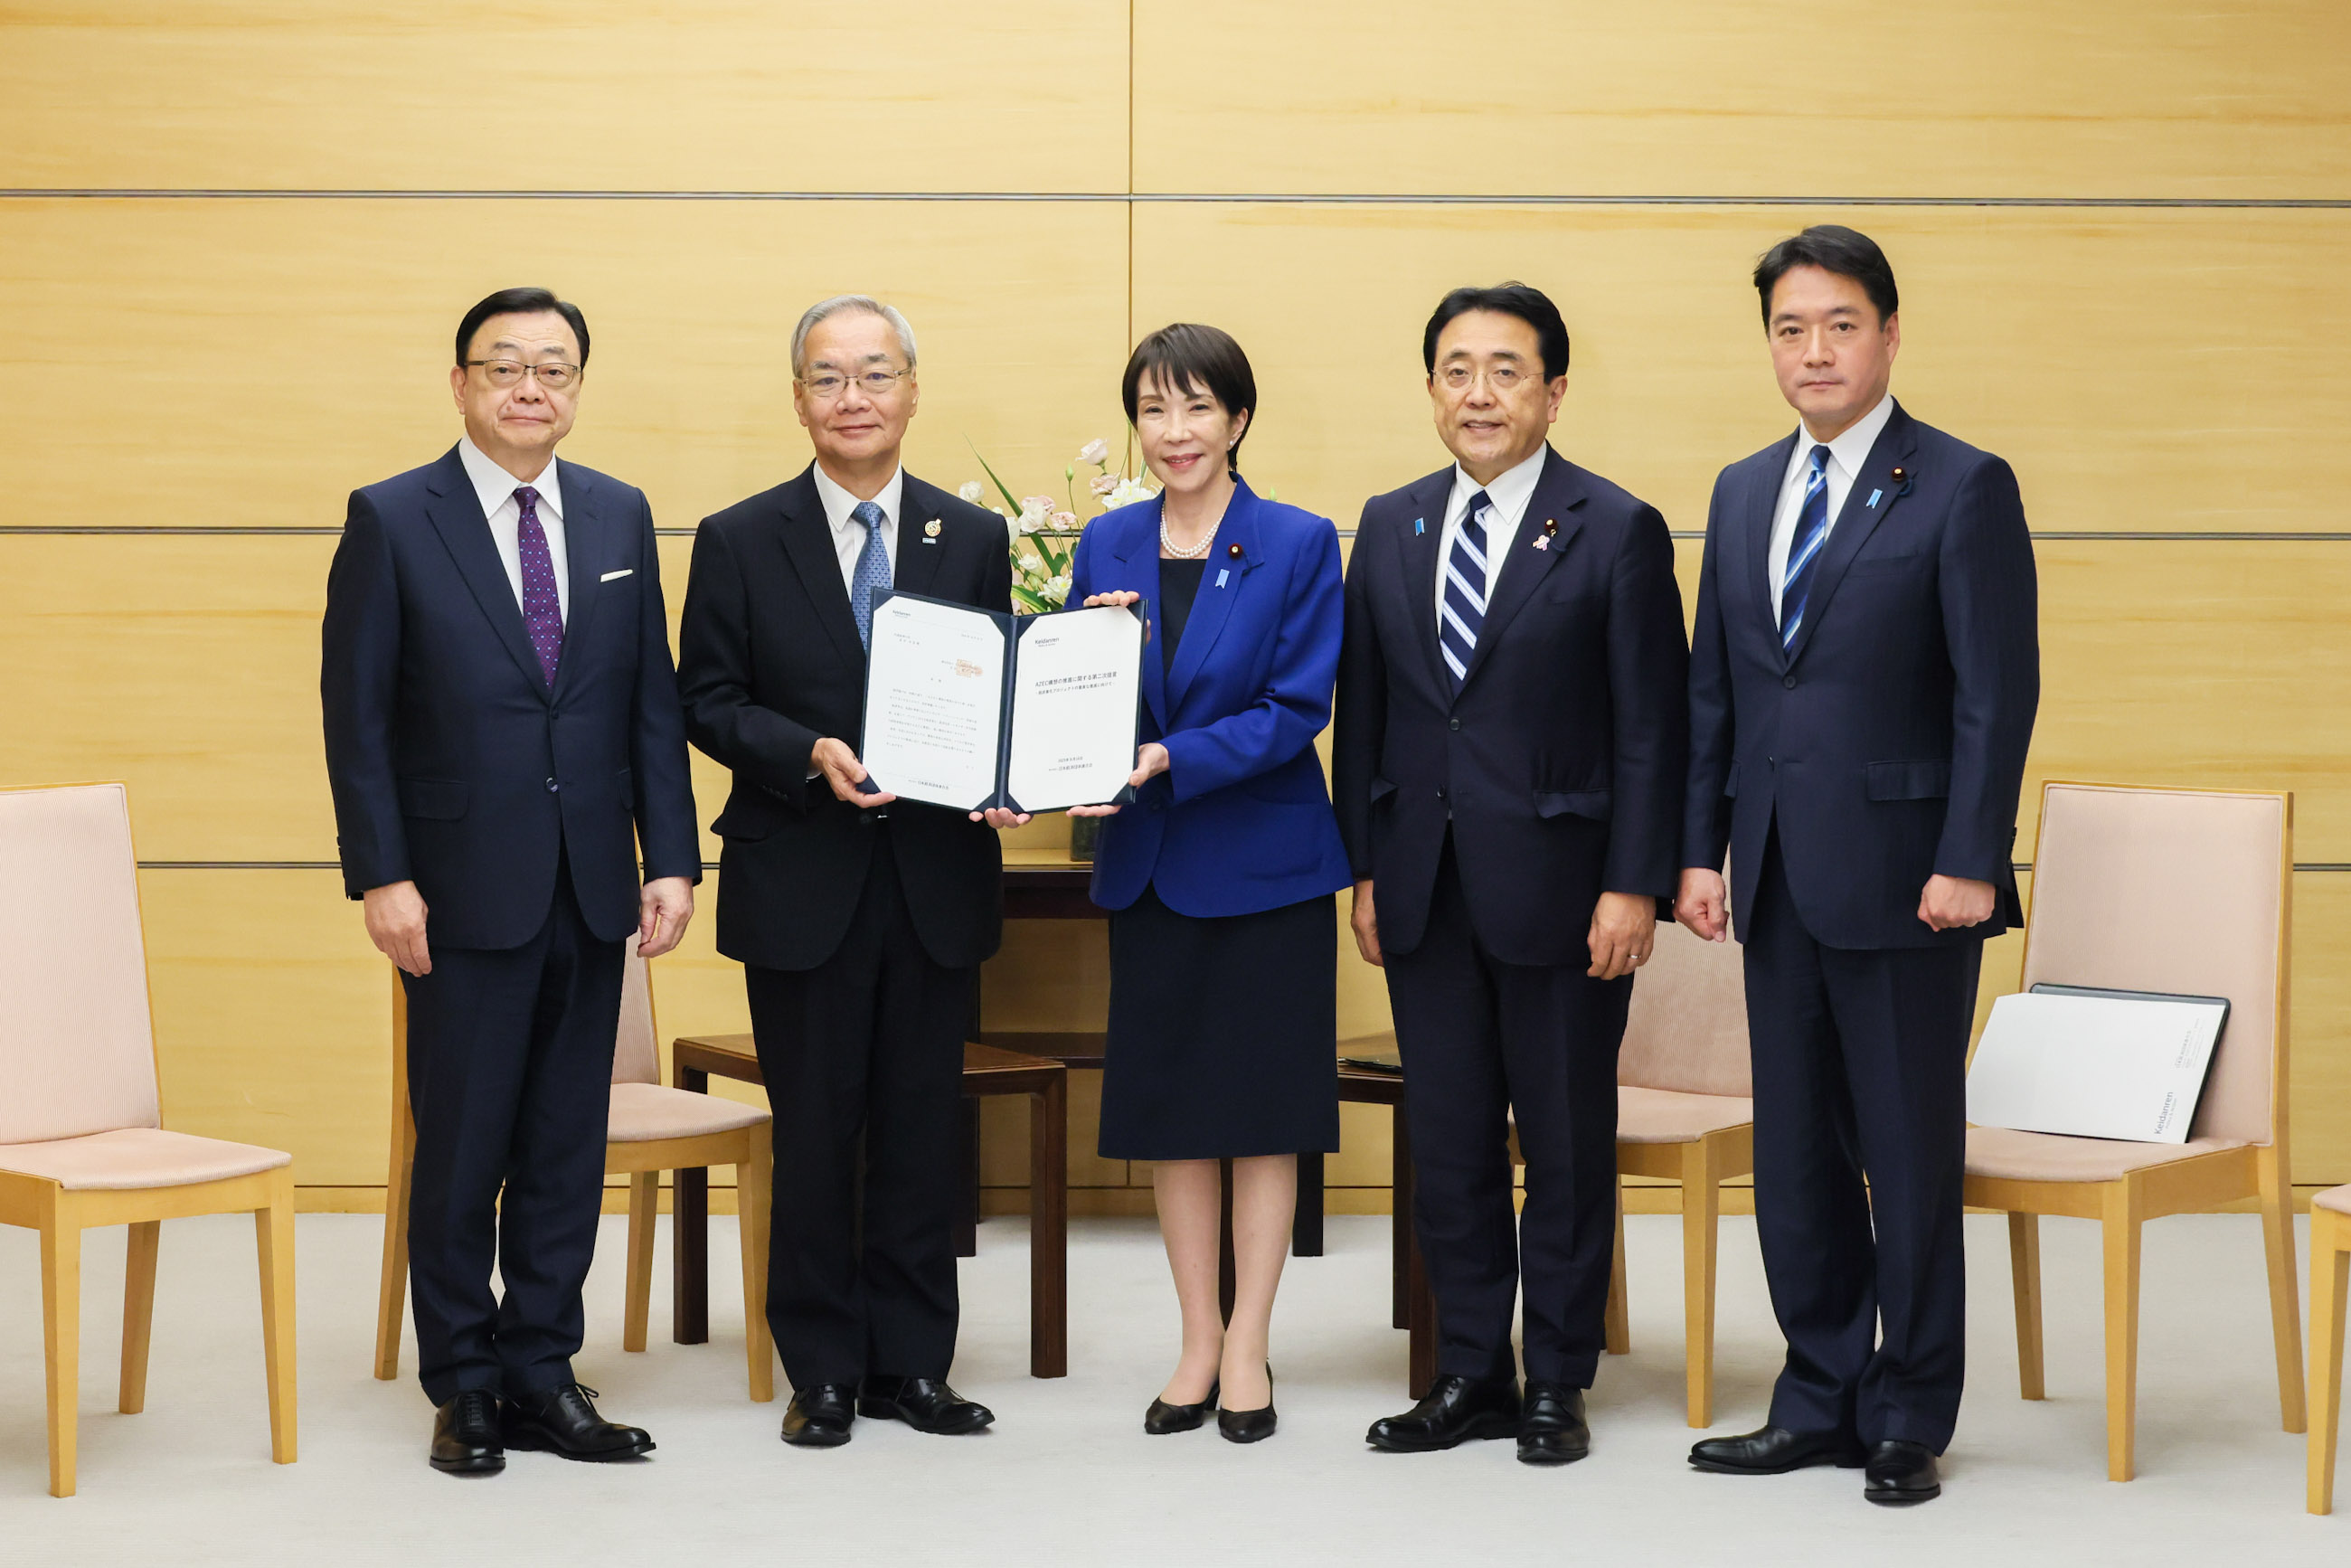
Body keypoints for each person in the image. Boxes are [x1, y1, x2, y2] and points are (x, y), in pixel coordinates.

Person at [1677, 226, 2039, 1506]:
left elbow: (1998, 692)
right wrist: (1698, 851)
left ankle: (1908, 1408)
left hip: (1908, 879)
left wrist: (1972, 860)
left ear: (1888, 333)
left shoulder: (1959, 484)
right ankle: (1818, 1392)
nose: (1813, 349)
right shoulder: (1738, 490)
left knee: (1907, 1146)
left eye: (1838, 324)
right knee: (1799, 1158)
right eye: (1790, 327)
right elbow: (1717, 692)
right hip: (1773, 876)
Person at [322, 287, 701, 1475]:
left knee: (559, 1148)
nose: (531, 386)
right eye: (505, 367)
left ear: (578, 388)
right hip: (457, 890)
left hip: (592, 885)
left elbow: (651, 702)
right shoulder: (393, 517)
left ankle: (544, 1370)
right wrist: (382, 874)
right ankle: (465, 1383)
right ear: (461, 385)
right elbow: (359, 718)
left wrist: (673, 856)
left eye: (555, 368)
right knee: (463, 1146)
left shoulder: (617, 513)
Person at [1333, 284, 1689, 1465]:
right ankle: (1472, 1369)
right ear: (1431, 387)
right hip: (1425, 884)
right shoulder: (1390, 523)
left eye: (1505, 369)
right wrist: (1366, 868)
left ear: (1554, 390)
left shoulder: (1614, 525)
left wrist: (1635, 882)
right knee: (1450, 1140)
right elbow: (1368, 711)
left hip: (1566, 888)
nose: (1478, 392)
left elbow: (1653, 727)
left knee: (1566, 1140)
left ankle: (1559, 1378)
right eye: (1455, 369)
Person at [676, 295, 1021, 1449]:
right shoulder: (737, 535)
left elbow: (994, 689)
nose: (853, 398)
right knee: (815, 1132)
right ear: (798, 399)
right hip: (800, 877)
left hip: (933, 878)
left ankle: (913, 1367)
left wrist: (1017, 755)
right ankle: (821, 1369)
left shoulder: (969, 538)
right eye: (828, 378)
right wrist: (804, 754)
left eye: (875, 375)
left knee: (924, 1133)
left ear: (912, 391)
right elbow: (706, 701)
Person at [1068, 323, 1352, 1445]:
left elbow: (1295, 709)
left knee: (1261, 1118)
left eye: (1195, 407)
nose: (1172, 431)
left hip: (1266, 870)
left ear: (1236, 419)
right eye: (1151, 408)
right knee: (1173, 1117)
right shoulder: (1107, 544)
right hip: (1147, 873)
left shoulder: (1292, 542)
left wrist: (1168, 758)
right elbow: (1083, 700)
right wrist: (1077, 737)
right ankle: (1194, 1338)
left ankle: (1249, 1347)